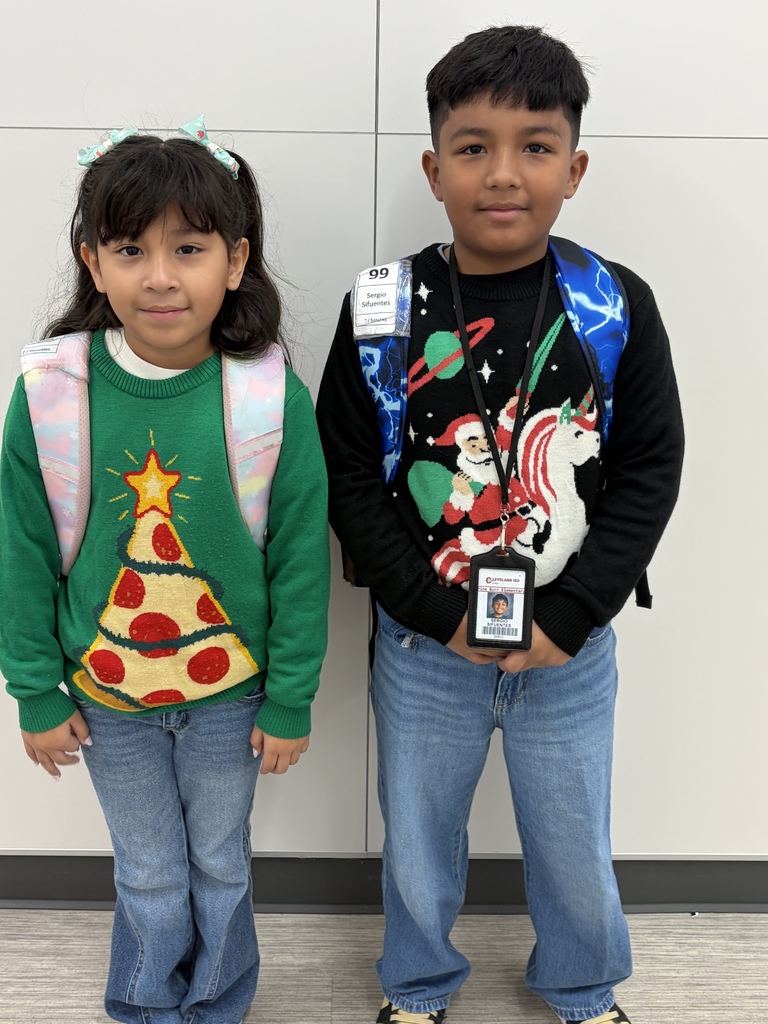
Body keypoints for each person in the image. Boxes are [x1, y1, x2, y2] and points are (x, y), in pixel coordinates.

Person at [317, 25, 683, 1024]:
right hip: (424, 640)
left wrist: (571, 615)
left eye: (535, 145)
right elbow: (348, 475)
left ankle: (582, 984)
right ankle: (419, 985)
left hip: (572, 641)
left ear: (576, 165)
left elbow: (651, 468)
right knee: (421, 832)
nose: (504, 172)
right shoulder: (386, 307)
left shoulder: (614, 305)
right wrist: (435, 614)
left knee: (573, 832)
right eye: (472, 147)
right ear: (434, 169)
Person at [0, 121, 330, 1024]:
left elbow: (302, 555)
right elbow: (18, 552)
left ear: (235, 260)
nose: (159, 275)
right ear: (92, 262)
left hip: (232, 696)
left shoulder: (268, 393)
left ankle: (218, 1004)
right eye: (129, 248)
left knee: (220, 862)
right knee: (148, 870)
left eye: (188, 247)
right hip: (105, 696)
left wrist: (292, 696)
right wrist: (34, 690)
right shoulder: (50, 394)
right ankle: (148, 1007)